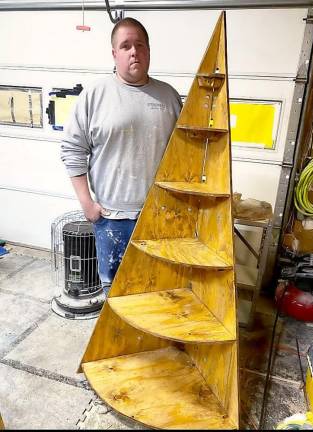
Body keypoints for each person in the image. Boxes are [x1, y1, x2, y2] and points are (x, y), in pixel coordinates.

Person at [61, 17, 182, 296]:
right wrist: (87, 204)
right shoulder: (95, 94)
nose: (134, 51)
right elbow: (72, 148)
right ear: (114, 54)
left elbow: (184, 155)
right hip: (112, 219)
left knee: (156, 292)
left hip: (159, 218)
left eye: (140, 45)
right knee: (116, 296)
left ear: (149, 51)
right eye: (125, 46)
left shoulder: (169, 98)